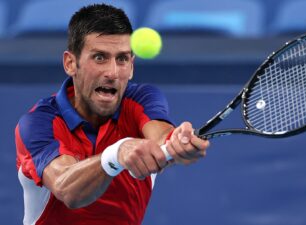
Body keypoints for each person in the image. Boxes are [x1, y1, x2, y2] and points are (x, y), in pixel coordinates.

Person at [15, 4, 210, 225]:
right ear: (71, 63)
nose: (113, 73)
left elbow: (160, 135)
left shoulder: (141, 99)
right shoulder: (38, 123)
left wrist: (178, 143)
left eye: (122, 59)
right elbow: (66, 189)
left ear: (132, 66)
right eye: (100, 58)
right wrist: (116, 153)